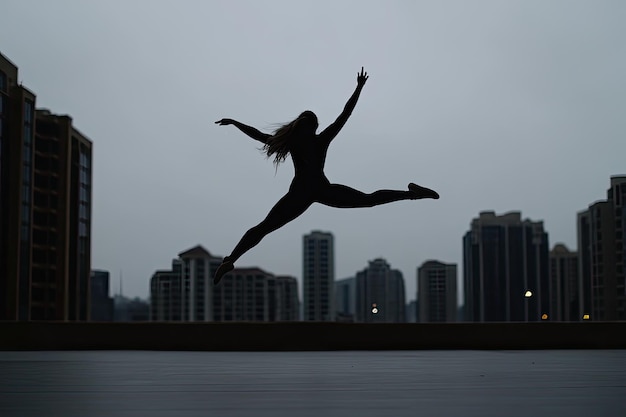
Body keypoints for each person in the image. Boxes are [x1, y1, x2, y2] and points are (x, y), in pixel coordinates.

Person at [213, 67, 438, 284]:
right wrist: (358, 88)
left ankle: (230, 259)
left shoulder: (294, 142)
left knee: (264, 227)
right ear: (313, 126)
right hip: (319, 189)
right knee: (368, 200)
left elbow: (260, 135)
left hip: (302, 192)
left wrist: (235, 123)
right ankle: (412, 195)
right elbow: (345, 114)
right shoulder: (320, 140)